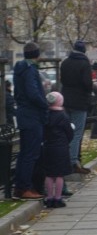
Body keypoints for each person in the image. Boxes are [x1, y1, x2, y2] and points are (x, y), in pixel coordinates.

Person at [13, 42, 48, 200]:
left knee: (25, 153)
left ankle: (20, 186)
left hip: (23, 114)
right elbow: (33, 93)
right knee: (31, 153)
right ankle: (25, 187)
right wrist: (44, 103)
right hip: (32, 115)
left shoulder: (19, 68)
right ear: (37, 54)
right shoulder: (30, 70)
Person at [59, 40, 93, 175]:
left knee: (67, 132)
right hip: (80, 102)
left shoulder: (65, 63)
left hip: (66, 100)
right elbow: (87, 83)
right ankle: (73, 162)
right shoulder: (84, 64)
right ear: (84, 51)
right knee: (77, 133)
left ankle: (65, 160)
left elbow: (62, 81)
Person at [42, 92, 73, 208]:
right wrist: (66, 141)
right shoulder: (63, 116)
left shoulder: (46, 115)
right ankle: (58, 198)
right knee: (59, 174)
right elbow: (69, 132)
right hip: (60, 147)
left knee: (49, 174)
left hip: (48, 147)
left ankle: (49, 197)